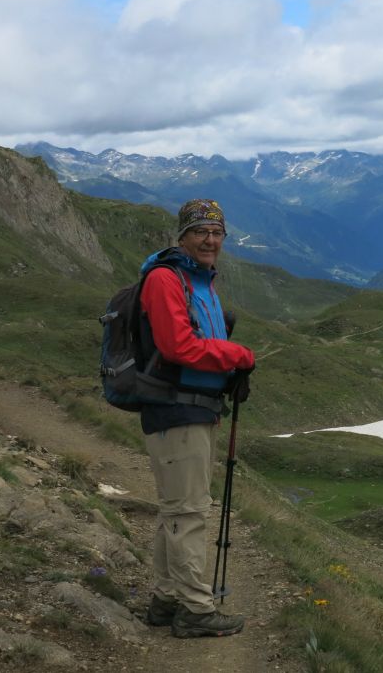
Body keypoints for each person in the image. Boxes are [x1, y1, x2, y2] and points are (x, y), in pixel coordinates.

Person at [138, 199, 255, 638]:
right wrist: (239, 355)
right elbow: (178, 347)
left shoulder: (201, 281)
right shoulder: (166, 279)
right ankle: (195, 610)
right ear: (182, 236)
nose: (210, 241)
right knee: (189, 512)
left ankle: (167, 600)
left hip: (195, 407)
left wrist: (221, 384)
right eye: (200, 232)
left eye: (217, 233)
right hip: (174, 407)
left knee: (177, 508)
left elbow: (197, 348)